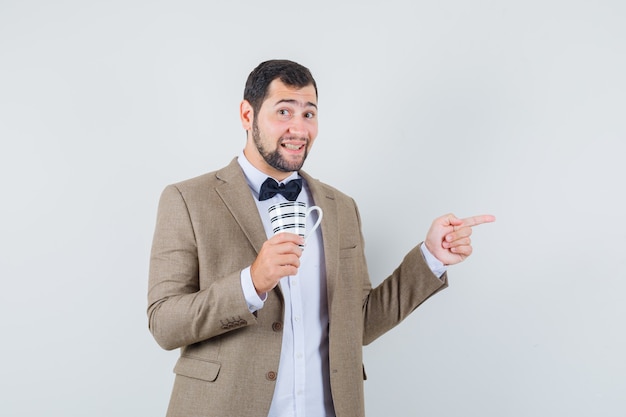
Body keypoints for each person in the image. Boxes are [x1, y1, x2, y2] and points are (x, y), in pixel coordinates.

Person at [148, 59, 495, 417]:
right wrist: (251, 283)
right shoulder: (188, 199)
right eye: (284, 111)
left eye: (309, 114)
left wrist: (430, 257)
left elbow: (360, 323)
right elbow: (164, 324)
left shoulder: (341, 207)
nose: (299, 129)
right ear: (246, 115)